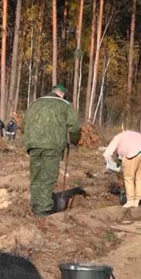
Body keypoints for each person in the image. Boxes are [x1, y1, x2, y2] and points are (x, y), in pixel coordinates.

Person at [22, 84, 80, 216]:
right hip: (52, 146)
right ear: (62, 94)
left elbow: (24, 123)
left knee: (36, 176)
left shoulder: (35, 103)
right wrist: (74, 141)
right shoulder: (64, 104)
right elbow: (75, 127)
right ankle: (43, 211)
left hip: (33, 145)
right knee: (48, 177)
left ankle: (34, 206)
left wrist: (31, 138)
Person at [103, 130, 141, 208]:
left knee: (129, 178)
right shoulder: (134, 135)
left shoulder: (118, 137)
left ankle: (130, 201)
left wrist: (110, 163)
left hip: (133, 153)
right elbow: (120, 157)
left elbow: (107, 153)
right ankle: (136, 202)